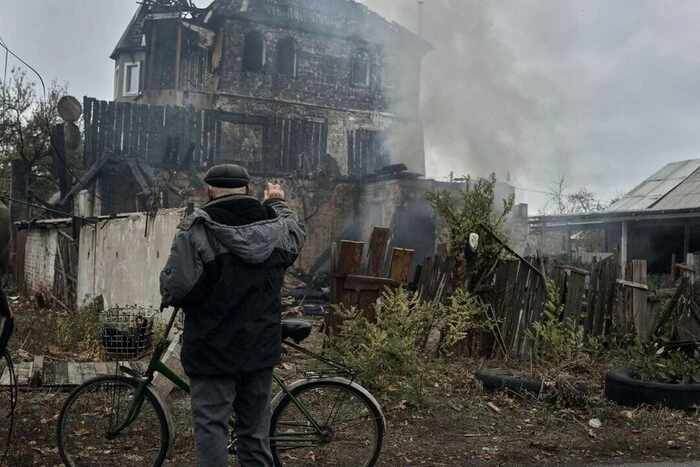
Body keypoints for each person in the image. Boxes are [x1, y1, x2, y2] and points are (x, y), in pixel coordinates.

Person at [160, 164, 306, 466]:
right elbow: (296, 238)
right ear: (249, 191)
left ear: (209, 191)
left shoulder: (198, 229)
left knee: (212, 430)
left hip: (212, 351)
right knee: (254, 434)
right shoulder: (275, 226)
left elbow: (176, 289)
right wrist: (277, 202)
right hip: (259, 350)